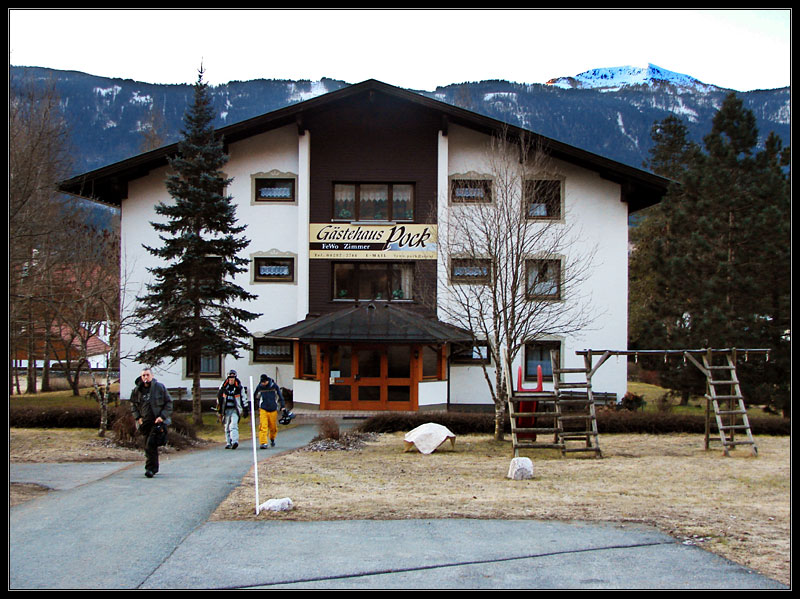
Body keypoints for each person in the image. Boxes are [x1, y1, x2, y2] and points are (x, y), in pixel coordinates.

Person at [129, 368, 173, 478]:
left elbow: (169, 403)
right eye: (143, 375)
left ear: (152, 376)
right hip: (144, 422)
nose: (145, 377)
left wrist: (162, 417)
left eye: (147, 375)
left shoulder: (159, 387)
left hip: (157, 422)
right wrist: (138, 417)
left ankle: (150, 469)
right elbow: (133, 405)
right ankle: (154, 468)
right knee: (148, 446)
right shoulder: (137, 390)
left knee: (150, 444)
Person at [216, 370, 248, 450]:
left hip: (235, 410)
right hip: (226, 410)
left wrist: (245, 408)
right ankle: (228, 443)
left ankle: (234, 442)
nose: (231, 380)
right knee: (227, 427)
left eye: (233, 378)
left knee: (233, 425)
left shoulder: (239, 388)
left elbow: (243, 398)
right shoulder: (223, 387)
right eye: (230, 378)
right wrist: (219, 409)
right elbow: (219, 398)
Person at [254, 373, 286, 449]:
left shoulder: (274, 386)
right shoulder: (259, 387)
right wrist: (255, 405)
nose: (263, 383)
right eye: (262, 382)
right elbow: (255, 396)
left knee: (273, 427)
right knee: (263, 426)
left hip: (273, 409)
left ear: (267, 381)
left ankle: (272, 438)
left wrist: (282, 406)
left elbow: (280, 396)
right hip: (263, 409)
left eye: (264, 382)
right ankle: (263, 443)